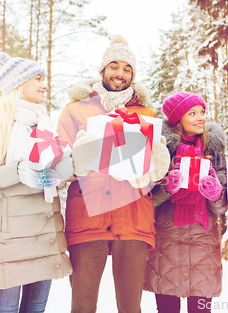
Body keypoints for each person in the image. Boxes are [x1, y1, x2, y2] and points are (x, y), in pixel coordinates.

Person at [56, 34, 170, 313]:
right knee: (82, 305)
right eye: (114, 66)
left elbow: (151, 177)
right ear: (102, 70)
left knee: (131, 307)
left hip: (132, 219)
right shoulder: (75, 111)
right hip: (87, 217)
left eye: (127, 68)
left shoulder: (147, 114)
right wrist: (76, 164)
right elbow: (58, 166)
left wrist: (155, 170)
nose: (120, 73)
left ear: (133, 75)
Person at [0, 52, 73, 313]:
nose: (45, 84)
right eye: (37, 78)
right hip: (9, 244)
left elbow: (52, 181)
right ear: (17, 83)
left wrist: (60, 176)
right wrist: (18, 170)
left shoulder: (44, 127)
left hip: (44, 239)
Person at [144, 92, 227, 313]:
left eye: (202, 112)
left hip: (203, 245)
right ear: (177, 120)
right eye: (192, 113)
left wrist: (215, 193)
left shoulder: (214, 151)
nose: (200, 118)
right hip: (166, 242)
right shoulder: (161, 150)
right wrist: (167, 188)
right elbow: (146, 201)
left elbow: (221, 207)